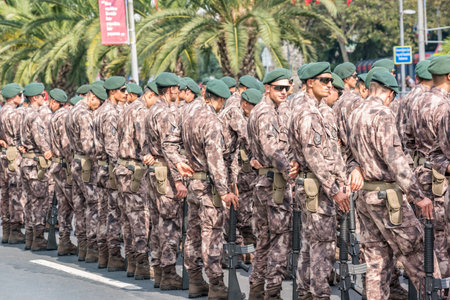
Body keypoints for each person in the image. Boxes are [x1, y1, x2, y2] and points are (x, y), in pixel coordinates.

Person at [346, 69, 440, 299]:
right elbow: (395, 160)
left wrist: (355, 169)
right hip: (388, 197)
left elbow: (348, 155)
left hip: (365, 197)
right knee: (418, 251)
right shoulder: (383, 114)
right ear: (389, 93)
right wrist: (418, 195)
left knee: (376, 261)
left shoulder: (354, 113)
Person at [164, 79, 239, 299]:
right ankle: (216, 284)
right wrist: (225, 191)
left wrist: (178, 162)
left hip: (193, 183)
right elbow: (215, 160)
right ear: (221, 100)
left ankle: (195, 281)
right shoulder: (212, 122)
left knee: (193, 234)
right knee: (212, 234)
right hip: (208, 185)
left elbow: (168, 143)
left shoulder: (187, 112)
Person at [290, 63, 349, 299]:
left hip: (318, 184)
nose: (330, 85)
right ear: (310, 82)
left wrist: (342, 179)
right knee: (322, 245)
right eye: (324, 81)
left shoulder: (319, 108)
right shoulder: (306, 111)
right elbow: (313, 155)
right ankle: (319, 294)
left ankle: (305, 292)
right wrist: (335, 189)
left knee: (310, 243)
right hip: (317, 186)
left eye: (330, 81)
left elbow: (332, 150)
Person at [247, 68, 295, 299]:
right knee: (279, 239)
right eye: (279, 88)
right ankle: (272, 292)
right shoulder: (265, 112)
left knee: (265, 240)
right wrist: (289, 170)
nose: (284, 92)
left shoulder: (268, 110)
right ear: (267, 88)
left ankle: (257, 289)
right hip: (274, 183)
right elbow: (270, 148)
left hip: (265, 180)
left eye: (287, 88)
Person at [145, 72, 189, 290]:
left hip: (155, 172)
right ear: (171, 89)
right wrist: (179, 180)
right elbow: (169, 148)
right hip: (166, 174)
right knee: (170, 224)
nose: (179, 92)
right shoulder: (166, 113)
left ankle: (160, 272)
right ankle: (169, 272)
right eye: (177, 88)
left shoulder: (152, 110)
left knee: (158, 223)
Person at [408, 55, 450, 279]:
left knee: (429, 235)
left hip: (421, 172)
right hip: (440, 177)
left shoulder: (415, 102)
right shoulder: (445, 105)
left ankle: (429, 286)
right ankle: (441, 287)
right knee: (443, 239)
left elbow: (405, 140)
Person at [116, 83, 159, 280]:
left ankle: (132, 261)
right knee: (141, 217)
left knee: (128, 218)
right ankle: (141, 263)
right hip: (135, 170)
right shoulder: (141, 111)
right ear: (150, 95)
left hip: (122, 167)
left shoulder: (126, 109)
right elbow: (144, 144)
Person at [66, 84, 106, 261]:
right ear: (92, 97)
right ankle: (92, 247)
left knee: (80, 205)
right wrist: (100, 160)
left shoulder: (73, 111)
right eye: (99, 101)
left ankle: (83, 246)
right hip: (87, 164)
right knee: (93, 205)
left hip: (76, 161)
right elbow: (88, 145)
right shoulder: (84, 114)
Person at [94, 76, 127, 270]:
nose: (125, 94)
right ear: (113, 92)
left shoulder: (100, 111)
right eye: (122, 90)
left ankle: (104, 254)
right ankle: (113, 255)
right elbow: (112, 145)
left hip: (101, 167)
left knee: (104, 212)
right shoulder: (110, 113)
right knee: (113, 213)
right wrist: (119, 168)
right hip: (110, 168)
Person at [19, 82, 53, 251]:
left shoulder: (23, 114)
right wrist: (48, 151)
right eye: (41, 96)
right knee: (40, 201)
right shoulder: (34, 116)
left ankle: (30, 237)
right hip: (35, 163)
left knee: (30, 201)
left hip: (25, 162)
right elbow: (40, 138)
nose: (43, 99)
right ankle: (38, 238)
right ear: (34, 98)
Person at [48, 88, 77, 256]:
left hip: (57, 166)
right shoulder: (65, 116)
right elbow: (66, 146)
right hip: (65, 166)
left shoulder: (54, 117)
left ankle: (64, 240)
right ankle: (86, 243)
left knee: (63, 206)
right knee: (76, 204)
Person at [0, 83, 25, 244]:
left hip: (3, 154)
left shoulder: (1, 112)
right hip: (14, 155)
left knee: (5, 192)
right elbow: (21, 136)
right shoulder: (14, 114)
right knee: (16, 191)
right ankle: (15, 229)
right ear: (14, 96)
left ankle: (7, 229)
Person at [397, 60, 433, 162]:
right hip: (429, 160)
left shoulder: (407, 97)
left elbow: (399, 128)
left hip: (409, 158)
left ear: (416, 77)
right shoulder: (433, 99)